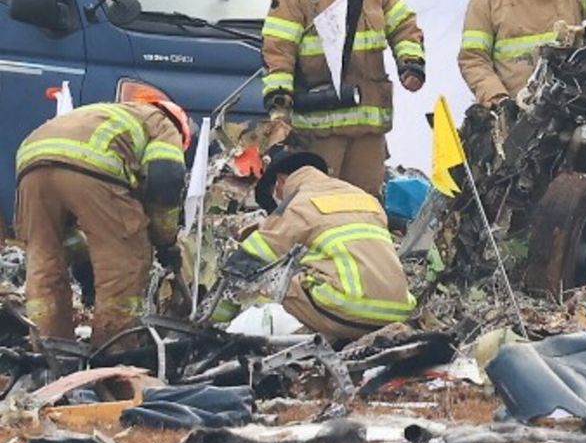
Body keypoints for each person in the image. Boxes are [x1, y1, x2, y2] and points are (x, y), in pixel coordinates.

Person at [260, 0, 425, 199]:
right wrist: (280, 107)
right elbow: (277, 52)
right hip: (320, 129)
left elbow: (404, 26)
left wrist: (410, 63)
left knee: (365, 205)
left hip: (368, 125)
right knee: (319, 206)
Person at [14, 97, 192, 369]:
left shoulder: (107, 113)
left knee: (44, 264)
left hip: (31, 164)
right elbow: (166, 180)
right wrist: (166, 242)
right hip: (94, 169)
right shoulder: (162, 122)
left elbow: (77, 233)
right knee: (124, 263)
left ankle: (50, 357)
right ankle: (111, 359)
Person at [223, 146, 414, 343]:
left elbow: (249, 261)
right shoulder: (364, 198)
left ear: (280, 181)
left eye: (276, 193)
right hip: (397, 310)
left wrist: (216, 317)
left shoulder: (297, 203)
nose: (278, 199)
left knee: (274, 274)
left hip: (347, 308)